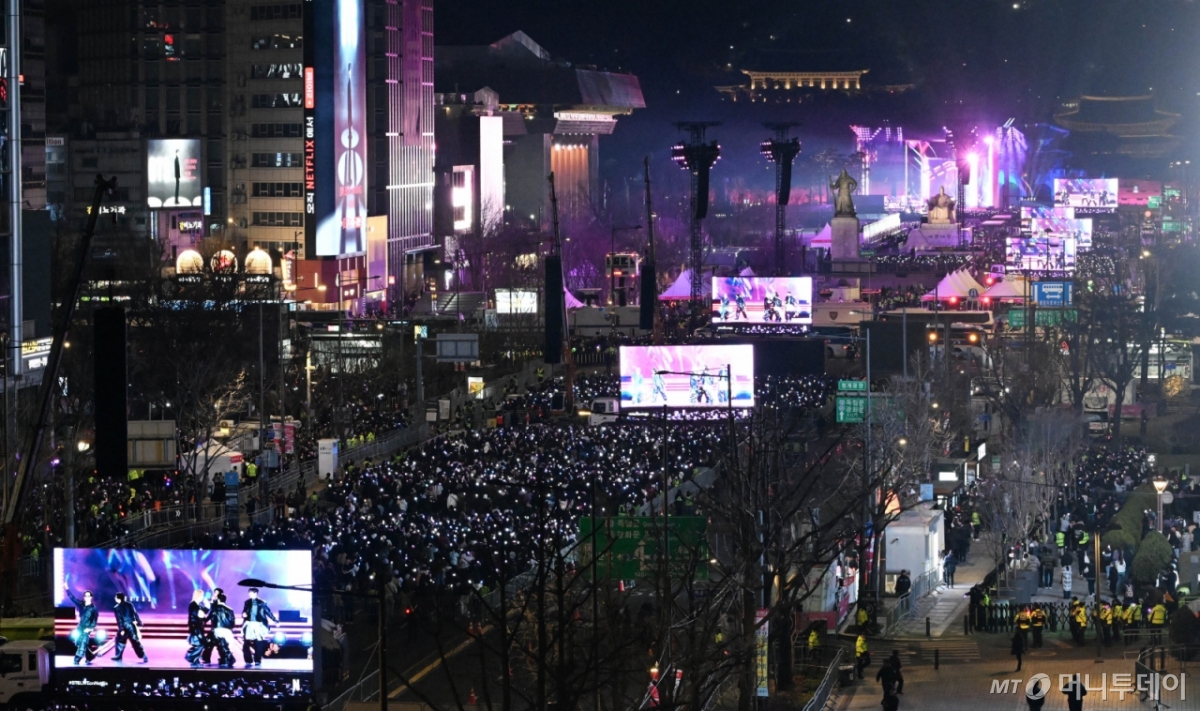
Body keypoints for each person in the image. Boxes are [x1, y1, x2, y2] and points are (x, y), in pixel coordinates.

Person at [242, 587, 278, 666]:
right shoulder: (247, 602)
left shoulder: (261, 603)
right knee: (246, 643)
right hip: (249, 624)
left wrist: (275, 620)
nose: (249, 594)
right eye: (249, 593)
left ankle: (257, 660)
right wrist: (244, 614)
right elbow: (244, 611)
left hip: (258, 624)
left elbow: (268, 612)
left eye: (251, 593)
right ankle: (248, 660)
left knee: (258, 643)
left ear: (255, 593)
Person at [63, 583, 98, 665]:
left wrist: (90, 629)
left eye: (88, 596)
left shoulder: (93, 608)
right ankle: (90, 656)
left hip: (87, 629)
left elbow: (94, 620)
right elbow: (72, 598)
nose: (87, 597)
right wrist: (67, 588)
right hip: (80, 627)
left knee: (82, 644)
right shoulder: (81, 604)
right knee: (78, 642)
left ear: (91, 597)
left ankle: (76, 660)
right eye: (85, 596)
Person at [112, 592, 148, 663]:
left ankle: (118, 656)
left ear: (118, 598)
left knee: (120, 641)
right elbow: (135, 614)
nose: (115, 598)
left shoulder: (117, 607)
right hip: (131, 626)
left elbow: (119, 620)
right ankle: (143, 655)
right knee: (135, 642)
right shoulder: (130, 604)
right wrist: (140, 622)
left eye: (116, 597)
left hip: (125, 626)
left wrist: (121, 629)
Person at [204, 588, 236, 667]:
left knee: (220, 644)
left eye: (216, 593)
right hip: (224, 629)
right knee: (216, 644)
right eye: (214, 593)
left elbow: (210, 616)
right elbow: (232, 621)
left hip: (217, 628)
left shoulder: (216, 607)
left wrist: (203, 620)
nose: (215, 594)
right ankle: (224, 659)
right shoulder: (229, 609)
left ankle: (227, 658)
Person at [185, 589, 210, 666]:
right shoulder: (193, 605)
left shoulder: (198, 605)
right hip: (195, 628)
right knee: (200, 644)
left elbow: (203, 614)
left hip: (198, 627)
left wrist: (207, 607)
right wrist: (207, 607)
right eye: (202, 595)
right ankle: (191, 657)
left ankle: (194, 659)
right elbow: (200, 615)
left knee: (200, 644)